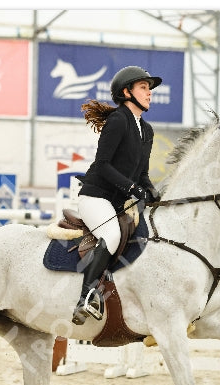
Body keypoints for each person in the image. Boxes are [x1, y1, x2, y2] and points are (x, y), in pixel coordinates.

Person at [71, 65, 163, 325]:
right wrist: (133, 189)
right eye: (144, 88)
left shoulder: (147, 130)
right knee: (110, 235)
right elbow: (103, 165)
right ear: (127, 92)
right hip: (95, 197)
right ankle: (85, 297)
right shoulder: (118, 120)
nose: (149, 93)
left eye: (149, 89)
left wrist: (153, 191)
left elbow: (141, 173)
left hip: (117, 203)